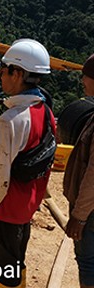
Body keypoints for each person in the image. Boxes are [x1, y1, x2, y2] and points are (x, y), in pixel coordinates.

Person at [0, 38, 55, 288]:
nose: (1, 77)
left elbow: (0, 175)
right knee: (16, 262)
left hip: (6, 210)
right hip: (26, 207)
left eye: (4, 71)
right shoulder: (46, 112)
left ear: (18, 74)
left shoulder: (10, 120)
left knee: (4, 273)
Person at [63, 53, 94, 288]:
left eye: (86, 76)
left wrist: (80, 217)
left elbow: (93, 174)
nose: (82, 80)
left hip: (91, 213)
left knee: (88, 264)